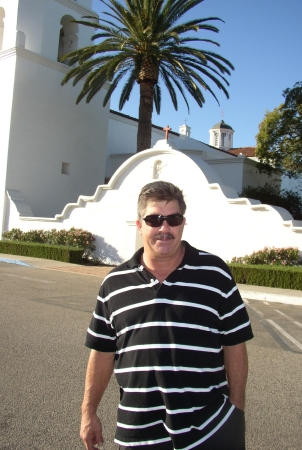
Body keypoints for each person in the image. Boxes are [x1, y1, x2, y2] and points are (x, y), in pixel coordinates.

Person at [80, 181, 254, 450]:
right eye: (154, 219)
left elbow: (235, 344)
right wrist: (88, 412)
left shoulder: (215, 274)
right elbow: (102, 353)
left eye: (173, 219)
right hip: (137, 432)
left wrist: (236, 410)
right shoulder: (113, 284)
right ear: (140, 226)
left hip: (208, 428)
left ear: (183, 223)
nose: (164, 228)